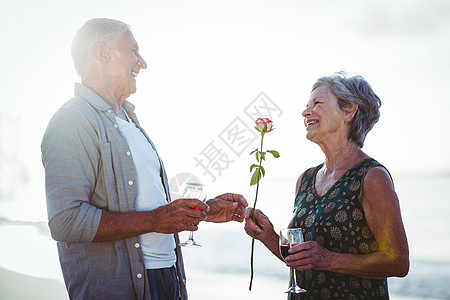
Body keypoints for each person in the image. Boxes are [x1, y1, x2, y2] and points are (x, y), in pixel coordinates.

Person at [41, 18, 247, 300]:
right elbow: (66, 220)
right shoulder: (73, 120)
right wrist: (154, 220)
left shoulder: (131, 121)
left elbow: (148, 205)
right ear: (103, 54)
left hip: (167, 276)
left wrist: (204, 210)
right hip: (120, 288)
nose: (142, 63)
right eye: (134, 51)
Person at [244, 71, 409, 299]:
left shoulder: (371, 176)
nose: (305, 112)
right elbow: (302, 260)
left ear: (349, 110)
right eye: (307, 105)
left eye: (317, 103)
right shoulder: (306, 179)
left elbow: (398, 262)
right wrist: (267, 235)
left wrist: (329, 259)